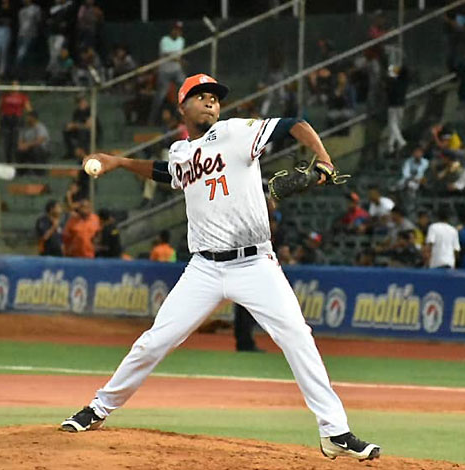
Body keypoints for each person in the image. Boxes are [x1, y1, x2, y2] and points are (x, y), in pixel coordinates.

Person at [59, 73, 381, 462]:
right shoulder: (181, 151)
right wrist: (119, 162)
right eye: (200, 96)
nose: (210, 101)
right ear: (182, 107)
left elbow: (294, 124)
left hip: (255, 263)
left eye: (214, 97)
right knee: (155, 341)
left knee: (298, 336)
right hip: (204, 269)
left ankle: (335, 432)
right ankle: (98, 409)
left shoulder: (235, 132)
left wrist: (324, 159)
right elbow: (166, 172)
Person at [148, 21, 185, 124]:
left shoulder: (181, 40)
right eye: (175, 29)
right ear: (171, 30)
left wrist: (178, 60)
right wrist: (178, 59)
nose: (177, 32)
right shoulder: (165, 40)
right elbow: (166, 54)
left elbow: (179, 55)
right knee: (160, 95)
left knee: (185, 89)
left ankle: (181, 117)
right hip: (165, 70)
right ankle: (152, 119)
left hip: (176, 70)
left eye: (179, 30)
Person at [0, 82, 32, 163]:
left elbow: (29, 110)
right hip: (6, 120)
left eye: (16, 85)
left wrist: (29, 120)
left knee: (16, 142)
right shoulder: (4, 96)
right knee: (7, 142)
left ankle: (17, 161)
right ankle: (8, 161)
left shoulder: (22, 97)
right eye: (12, 85)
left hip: (17, 120)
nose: (14, 87)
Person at [0, 0, 18, 78]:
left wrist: (7, 21)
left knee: (4, 53)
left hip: (6, 29)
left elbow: (13, 21)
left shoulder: (12, 10)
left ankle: (2, 72)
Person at [385, 64, 409, 154]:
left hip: (393, 106)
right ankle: (390, 146)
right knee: (396, 126)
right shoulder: (405, 81)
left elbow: (389, 90)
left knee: (392, 124)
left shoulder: (395, 82)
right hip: (401, 105)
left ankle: (401, 141)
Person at [15, 0, 41, 75]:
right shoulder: (21, 10)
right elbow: (20, 23)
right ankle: (21, 74)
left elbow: (39, 21)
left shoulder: (36, 9)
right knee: (21, 54)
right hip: (21, 35)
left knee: (23, 55)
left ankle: (22, 73)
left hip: (31, 35)